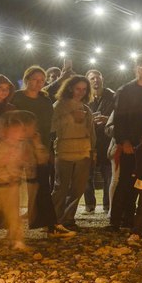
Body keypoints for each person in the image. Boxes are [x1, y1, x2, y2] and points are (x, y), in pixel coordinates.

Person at [12, 65, 70, 238]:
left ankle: (50, 225)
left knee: (42, 186)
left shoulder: (45, 101)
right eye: (35, 79)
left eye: (42, 80)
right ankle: (5, 225)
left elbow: (47, 127)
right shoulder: (16, 98)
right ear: (27, 79)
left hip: (39, 147)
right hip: (17, 147)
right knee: (11, 185)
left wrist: (46, 148)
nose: (38, 83)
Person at [107, 54, 142, 232]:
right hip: (129, 144)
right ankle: (115, 221)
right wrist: (123, 141)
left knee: (138, 182)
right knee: (124, 183)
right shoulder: (125, 91)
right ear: (136, 68)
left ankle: (129, 219)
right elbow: (119, 119)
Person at [0, 110, 36, 251]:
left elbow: (26, 161)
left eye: (22, 131)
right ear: (5, 131)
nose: (20, 134)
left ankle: (17, 240)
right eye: (16, 131)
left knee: (13, 215)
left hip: (11, 186)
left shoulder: (22, 145)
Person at [51, 74, 95, 232]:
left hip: (83, 151)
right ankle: (54, 220)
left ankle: (68, 219)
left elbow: (91, 131)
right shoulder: (60, 105)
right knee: (61, 187)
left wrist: (92, 150)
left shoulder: (86, 108)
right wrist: (70, 117)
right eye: (78, 88)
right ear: (70, 88)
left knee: (78, 188)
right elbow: (52, 126)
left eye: (84, 89)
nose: (81, 92)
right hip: (65, 151)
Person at [83, 69, 115, 214]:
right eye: (92, 78)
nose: (96, 80)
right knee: (86, 175)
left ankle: (107, 204)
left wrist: (106, 119)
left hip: (106, 140)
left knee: (108, 173)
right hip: (88, 140)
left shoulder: (113, 96)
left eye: (98, 77)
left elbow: (119, 116)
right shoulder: (84, 97)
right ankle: (89, 204)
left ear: (102, 79)